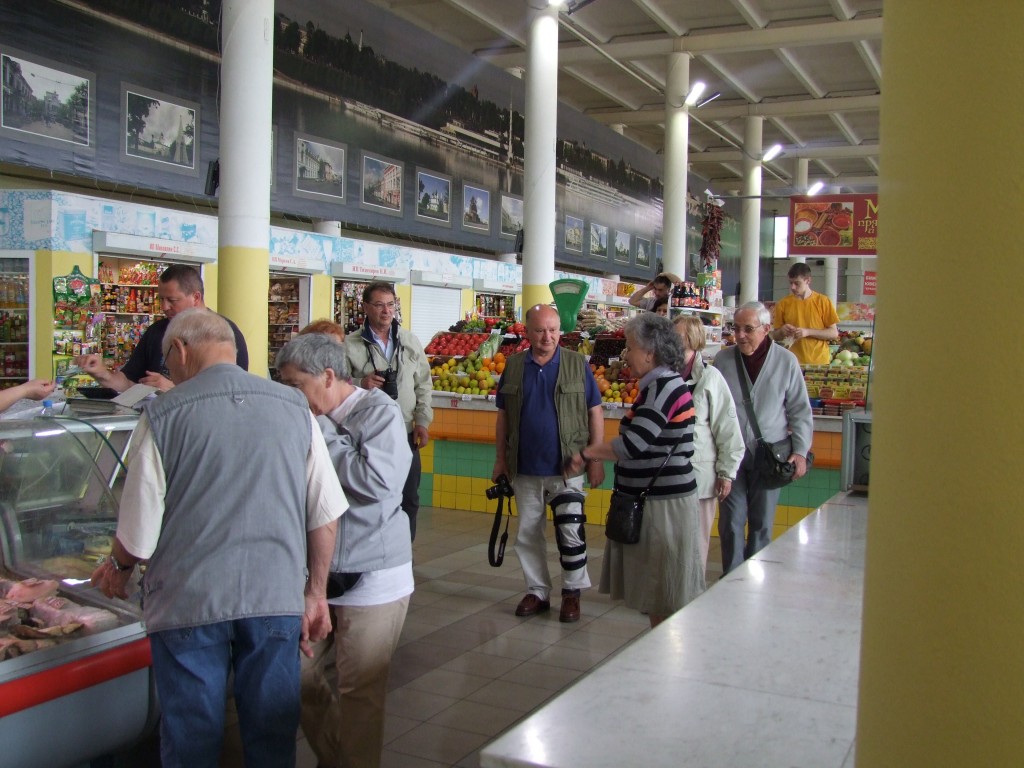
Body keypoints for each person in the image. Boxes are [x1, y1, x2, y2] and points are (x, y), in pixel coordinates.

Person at [90, 308, 345, 768]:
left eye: (168, 360)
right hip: (275, 598)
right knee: (271, 737)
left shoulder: (164, 413)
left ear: (181, 351)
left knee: (192, 739)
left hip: (190, 602)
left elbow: (138, 530)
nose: (169, 369)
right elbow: (324, 515)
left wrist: (119, 568)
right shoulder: (295, 409)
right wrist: (316, 593)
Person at [276, 333, 412, 768]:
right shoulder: (298, 415)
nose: (290, 395)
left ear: (329, 376)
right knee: (298, 677)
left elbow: (377, 482)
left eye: (296, 385)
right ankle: (338, 758)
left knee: (360, 694)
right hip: (314, 575)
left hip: (372, 576)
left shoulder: (379, 413)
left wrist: (320, 431)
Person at [566, 313, 700, 628]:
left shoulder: (664, 387)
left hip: (663, 507)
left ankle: (666, 662)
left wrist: (587, 453)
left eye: (630, 346)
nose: (626, 353)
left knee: (663, 593)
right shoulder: (658, 385)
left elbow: (633, 444)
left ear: (650, 352)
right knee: (658, 593)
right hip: (656, 502)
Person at [494, 303, 604, 623]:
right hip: (525, 467)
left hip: (567, 467)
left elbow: (595, 411)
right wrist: (500, 459)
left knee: (570, 532)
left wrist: (594, 458)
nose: (548, 336)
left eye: (554, 330)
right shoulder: (513, 366)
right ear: (527, 332)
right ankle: (538, 590)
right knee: (527, 533)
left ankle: (572, 592)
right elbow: (503, 417)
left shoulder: (575, 364)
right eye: (541, 330)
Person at [714, 301, 814, 574]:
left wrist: (801, 451)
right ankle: (731, 578)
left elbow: (799, 410)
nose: (741, 335)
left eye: (749, 329)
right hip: (731, 454)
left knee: (762, 521)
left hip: (770, 455)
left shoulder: (786, 361)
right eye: (736, 329)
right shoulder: (723, 360)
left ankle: (755, 578)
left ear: (767, 329)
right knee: (731, 520)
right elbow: (713, 407)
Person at [343, 281, 432, 541]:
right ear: (366, 307)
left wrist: (423, 421)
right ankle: (372, 552)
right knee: (372, 497)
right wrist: (361, 384)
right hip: (367, 436)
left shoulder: (409, 341)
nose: (386, 311)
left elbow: (424, 384)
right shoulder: (350, 345)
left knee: (409, 498)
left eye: (391, 304)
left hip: (405, 433)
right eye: (379, 305)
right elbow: (337, 386)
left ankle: (403, 553)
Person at [74, 264, 249, 392]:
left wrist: (173, 390)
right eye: (161, 300)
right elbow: (128, 382)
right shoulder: (156, 331)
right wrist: (102, 373)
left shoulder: (226, 333)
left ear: (196, 297)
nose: (164, 307)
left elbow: (234, 394)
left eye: (172, 301)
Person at [674, 315, 745, 571]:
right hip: (666, 476)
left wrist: (726, 473)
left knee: (696, 540)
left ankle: (690, 594)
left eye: (678, 336)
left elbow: (728, 430)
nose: (672, 340)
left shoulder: (710, 378)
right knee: (669, 540)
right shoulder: (663, 374)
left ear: (693, 339)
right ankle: (668, 597)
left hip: (699, 476)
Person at [770, 262, 839, 364]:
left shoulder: (823, 301)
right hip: (792, 362)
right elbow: (775, 335)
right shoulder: (783, 304)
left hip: (819, 361)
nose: (792, 287)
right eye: (790, 283)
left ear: (808, 280)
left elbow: (833, 333)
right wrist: (782, 331)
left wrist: (807, 332)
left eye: (797, 283)